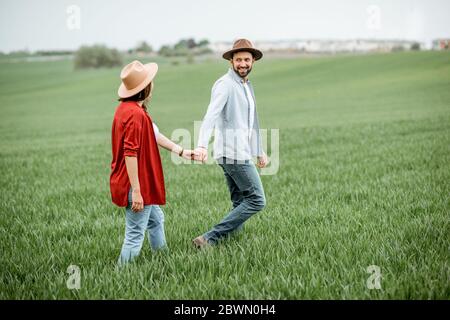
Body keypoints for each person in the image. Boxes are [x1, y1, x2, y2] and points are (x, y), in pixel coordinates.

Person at [110, 60, 197, 265]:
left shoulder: (127, 109)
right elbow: (130, 153)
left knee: (156, 220)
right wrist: (137, 190)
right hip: (137, 183)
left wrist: (181, 151)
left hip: (133, 181)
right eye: (151, 81)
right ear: (145, 88)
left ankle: (163, 261)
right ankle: (121, 277)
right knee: (134, 235)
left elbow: (154, 135)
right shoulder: (135, 115)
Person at [193, 39, 268, 248]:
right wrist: (201, 145)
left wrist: (259, 150)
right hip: (232, 152)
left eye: (247, 59)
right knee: (256, 200)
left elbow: (252, 121)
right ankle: (209, 238)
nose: (243, 63)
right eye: (238, 60)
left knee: (240, 201)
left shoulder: (246, 85)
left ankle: (233, 241)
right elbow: (211, 115)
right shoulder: (225, 85)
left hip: (240, 150)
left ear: (253, 61)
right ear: (231, 62)